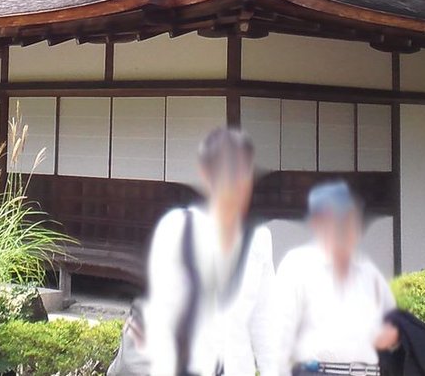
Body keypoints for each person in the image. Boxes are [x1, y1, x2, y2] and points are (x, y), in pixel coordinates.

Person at [140, 127, 276, 376]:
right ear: (206, 174)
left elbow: (265, 322)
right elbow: (163, 316)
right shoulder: (177, 229)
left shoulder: (259, 239)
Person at [273, 180, 399, 376]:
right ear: (317, 222)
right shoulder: (298, 265)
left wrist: (391, 337)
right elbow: (279, 335)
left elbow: (393, 325)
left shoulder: (368, 272)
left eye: (350, 217)